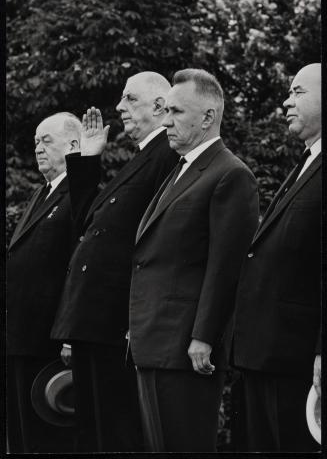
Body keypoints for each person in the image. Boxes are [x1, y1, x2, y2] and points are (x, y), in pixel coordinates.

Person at [128, 68, 259, 452]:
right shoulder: (180, 171)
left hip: (187, 348)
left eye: (176, 112)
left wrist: (203, 337)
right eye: (165, 110)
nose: (166, 120)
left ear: (207, 117)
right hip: (154, 340)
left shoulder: (230, 174)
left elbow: (225, 266)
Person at [51, 72, 178, 452]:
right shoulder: (142, 158)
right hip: (95, 320)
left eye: (129, 99)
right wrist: (89, 159)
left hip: (117, 321)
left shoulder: (168, 155)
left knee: (117, 433)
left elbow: (159, 244)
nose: (119, 107)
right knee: (92, 432)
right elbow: (89, 222)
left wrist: (133, 321)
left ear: (159, 106)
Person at [232, 63, 321, 451]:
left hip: (297, 359)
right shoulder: (305, 163)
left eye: (298, 92)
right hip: (262, 352)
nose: (287, 102)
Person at [7, 112, 81, 452]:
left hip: (49, 341)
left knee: (47, 438)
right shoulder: (41, 193)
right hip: (20, 336)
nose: (38, 148)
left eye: (47, 141)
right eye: (36, 141)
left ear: (74, 145)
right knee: (21, 435)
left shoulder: (80, 194)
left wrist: (69, 335)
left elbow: (78, 268)